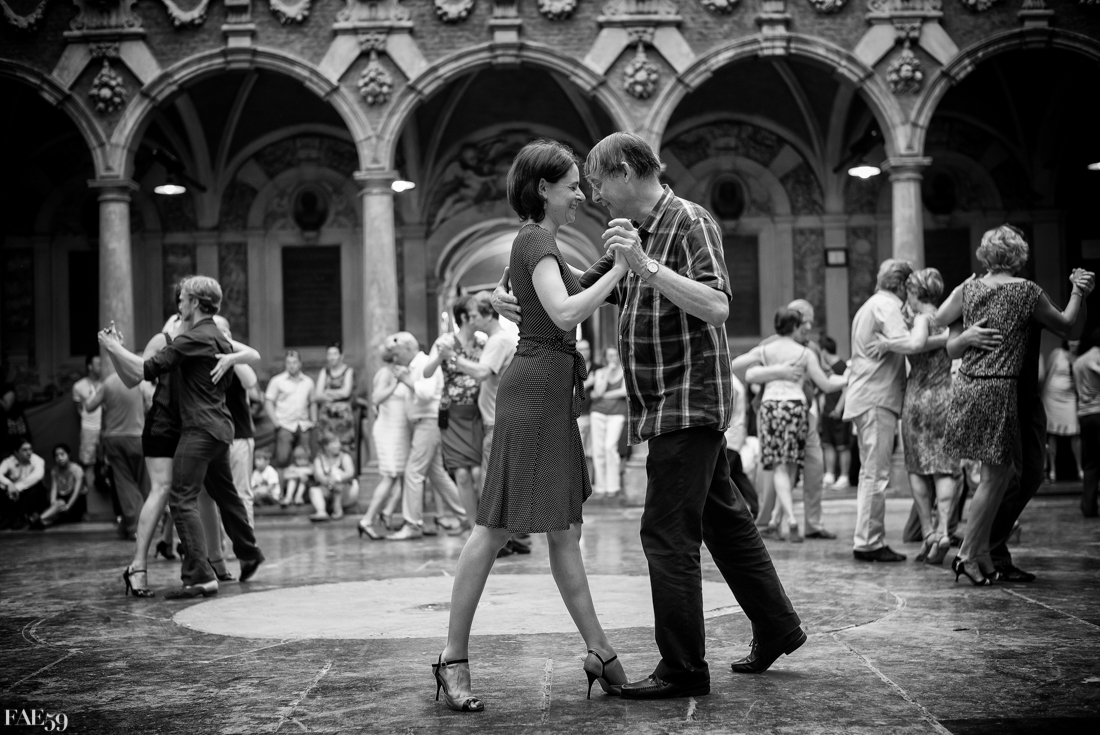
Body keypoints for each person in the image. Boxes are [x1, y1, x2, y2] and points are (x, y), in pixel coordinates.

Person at [494, 132, 804, 699]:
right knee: (725, 522)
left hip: (688, 399)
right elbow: (569, 286)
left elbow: (717, 306)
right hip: (661, 401)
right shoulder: (629, 233)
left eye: (598, 182)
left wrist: (647, 266)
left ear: (626, 172)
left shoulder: (689, 222)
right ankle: (778, 626)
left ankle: (683, 668)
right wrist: (507, 291)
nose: (593, 195)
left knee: (666, 535)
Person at [433, 139, 631, 713]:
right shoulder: (537, 239)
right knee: (495, 526)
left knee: (564, 529)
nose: (580, 195)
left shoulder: (539, 244)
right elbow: (567, 311)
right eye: (571, 186)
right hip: (536, 387)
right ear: (543, 189)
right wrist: (624, 266)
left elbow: (557, 290)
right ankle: (451, 658)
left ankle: (599, 651)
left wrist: (613, 259)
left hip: (549, 387)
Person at [937, 226, 1093, 585]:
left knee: (1001, 474)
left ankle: (981, 553)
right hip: (999, 388)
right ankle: (966, 556)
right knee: (994, 478)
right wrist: (1077, 290)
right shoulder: (1026, 291)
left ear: (985, 253)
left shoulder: (969, 288)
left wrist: (963, 329)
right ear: (1019, 254)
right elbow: (1068, 325)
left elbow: (939, 320)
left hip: (970, 385)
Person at [99, 275, 266, 599]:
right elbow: (253, 354)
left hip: (200, 430)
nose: (180, 305)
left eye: (183, 300)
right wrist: (233, 356)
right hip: (221, 429)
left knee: (180, 498)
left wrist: (112, 346)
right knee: (226, 494)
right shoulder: (217, 335)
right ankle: (248, 552)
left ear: (195, 303)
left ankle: (199, 576)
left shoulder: (192, 338)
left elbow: (146, 370)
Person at [870, 268, 959, 566]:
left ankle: (928, 532)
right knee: (944, 467)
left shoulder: (921, 319)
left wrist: (887, 343)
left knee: (918, 466)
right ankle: (944, 530)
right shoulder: (946, 319)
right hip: (945, 394)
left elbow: (917, 343)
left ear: (914, 292)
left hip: (918, 397)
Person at [733, 299, 838, 540]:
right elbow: (751, 373)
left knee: (810, 468)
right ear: (794, 322)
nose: (808, 326)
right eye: (805, 321)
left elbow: (825, 377)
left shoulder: (810, 349)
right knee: (776, 468)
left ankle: (807, 523)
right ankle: (769, 521)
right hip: (778, 410)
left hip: (805, 413)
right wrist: (779, 372)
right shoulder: (771, 345)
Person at [844, 259, 917, 563]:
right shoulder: (886, 305)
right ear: (900, 285)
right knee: (876, 474)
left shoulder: (870, 305)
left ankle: (868, 538)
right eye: (909, 288)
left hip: (868, 395)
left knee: (870, 473)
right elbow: (909, 343)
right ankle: (869, 542)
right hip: (876, 396)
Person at [383, 332, 467, 541]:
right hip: (425, 422)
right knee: (437, 475)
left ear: (408, 348)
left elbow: (426, 393)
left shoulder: (424, 363)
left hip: (429, 421)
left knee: (413, 472)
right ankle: (467, 516)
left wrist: (405, 380)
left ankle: (413, 524)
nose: (395, 358)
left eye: (397, 353)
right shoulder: (414, 365)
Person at [424, 295, 485, 531]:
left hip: (477, 413)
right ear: (464, 317)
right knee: (461, 474)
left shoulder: (483, 342)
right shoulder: (445, 341)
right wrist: (440, 356)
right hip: (450, 414)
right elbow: (427, 373)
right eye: (474, 312)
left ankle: (486, 524)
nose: (479, 316)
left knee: (478, 471)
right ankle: (472, 526)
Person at [83, 358, 148, 540]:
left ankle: (132, 525)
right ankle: (141, 525)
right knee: (143, 482)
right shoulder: (140, 382)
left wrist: (93, 393)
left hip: (114, 439)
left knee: (124, 482)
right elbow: (151, 406)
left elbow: (89, 407)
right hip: (137, 437)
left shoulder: (107, 383)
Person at [359, 343, 410, 539]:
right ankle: (366, 520)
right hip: (389, 431)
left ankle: (388, 512)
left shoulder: (399, 372)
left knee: (404, 475)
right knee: (390, 476)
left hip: (400, 430)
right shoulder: (385, 373)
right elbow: (376, 397)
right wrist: (395, 384)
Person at [265, 350, 316, 471]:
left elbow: (312, 402)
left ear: (300, 363)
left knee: (304, 458)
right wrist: (276, 422)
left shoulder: (308, 381)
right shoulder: (277, 381)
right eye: (288, 362)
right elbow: (268, 401)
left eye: (294, 362)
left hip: (303, 425)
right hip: (284, 424)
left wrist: (314, 420)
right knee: (283, 459)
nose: (291, 365)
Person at [589, 347, 629, 500]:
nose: (613, 358)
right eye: (610, 355)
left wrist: (604, 395)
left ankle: (613, 486)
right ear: (605, 358)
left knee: (609, 447)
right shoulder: (600, 372)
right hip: (598, 413)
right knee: (598, 450)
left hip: (617, 413)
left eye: (615, 355)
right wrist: (607, 373)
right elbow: (598, 391)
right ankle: (601, 486)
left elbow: (623, 392)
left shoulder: (624, 372)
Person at [1041, 340, 1081, 481]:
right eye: (1071, 340)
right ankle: (1052, 470)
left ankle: (1080, 469)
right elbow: (1047, 372)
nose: (1073, 343)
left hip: (1069, 398)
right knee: (1052, 433)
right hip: (1052, 398)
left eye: (1076, 341)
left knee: (1075, 433)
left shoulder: (1079, 358)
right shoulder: (1057, 353)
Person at [724, 370, 759, 518]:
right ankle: (756, 507)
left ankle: (733, 514)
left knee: (723, 477)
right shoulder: (734, 381)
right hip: (733, 436)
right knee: (737, 476)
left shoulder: (731, 382)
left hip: (730, 437)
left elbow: (727, 411)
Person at [1073, 328, 1100, 517]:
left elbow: (1077, 389)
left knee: (1091, 463)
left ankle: (1088, 507)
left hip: (1084, 415)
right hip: (1099, 412)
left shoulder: (1078, 361)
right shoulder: (1097, 358)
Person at [818, 336, 851, 490]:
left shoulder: (842, 366)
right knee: (827, 444)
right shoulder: (825, 368)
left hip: (840, 413)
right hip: (827, 412)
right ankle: (829, 474)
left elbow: (846, 389)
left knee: (842, 445)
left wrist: (839, 408)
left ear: (824, 351)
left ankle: (844, 476)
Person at [314, 343, 356, 459]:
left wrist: (328, 392)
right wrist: (337, 393)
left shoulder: (348, 371)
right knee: (326, 445)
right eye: (329, 354)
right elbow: (318, 394)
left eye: (335, 354)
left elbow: (346, 392)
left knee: (344, 447)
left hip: (343, 417)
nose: (332, 357)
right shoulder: (325, 371)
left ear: (341, 355)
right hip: (326, 417)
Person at [31, 444, 86, 528]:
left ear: (69, 454)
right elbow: (54, 488)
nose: (60, 458)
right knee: (58, 505)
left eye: (62, 454)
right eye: (57, 456)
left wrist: (68, 506)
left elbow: (76, 492)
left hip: (76, 502)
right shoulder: (55, 470)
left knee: (60, 506)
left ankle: (38, 519)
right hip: (62, 499)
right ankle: (40, 522)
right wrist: (53, 501)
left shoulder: (77, 469)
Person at [72, 354, 103, 495]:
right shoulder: (78, 386)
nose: (101, 367)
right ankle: (92, 497)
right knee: (88, 462)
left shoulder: (107, 383)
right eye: (98, 364)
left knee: (109, 461)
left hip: (107, 428)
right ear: (90, 367)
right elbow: (78, 410)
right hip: (88, 429)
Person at [310, 434, 358, 521]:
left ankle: (338, 509)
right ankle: (321, 512)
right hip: (328, 491)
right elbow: (320, 477)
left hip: (346, 492)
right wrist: (330, 481)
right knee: (314, 490)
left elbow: (350, 473)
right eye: (334, 443)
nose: (338, 445)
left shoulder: (345, 457)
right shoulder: (319, 459)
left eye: (338, 442)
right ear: (326, 446)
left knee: (337, 475)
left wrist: (337, 477)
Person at [0, 440, 46, 530]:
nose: (29, 452)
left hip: (30, 495)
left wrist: (16, 487)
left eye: (30, 449)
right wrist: (9, 484)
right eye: (24, 450)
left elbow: (38, 475)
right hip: (14, 496)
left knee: (37, 486)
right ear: (16, 452)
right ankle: (7, 518)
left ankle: (20, 517)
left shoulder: (37, 460)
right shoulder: (9, 461)